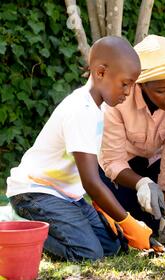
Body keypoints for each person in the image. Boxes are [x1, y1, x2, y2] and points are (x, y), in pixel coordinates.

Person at [6, 36, 153, 261]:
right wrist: (128, 221)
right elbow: (92, 182)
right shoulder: (80, 110)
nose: (128, 91)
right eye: (125, 83)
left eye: (132, 85)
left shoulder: (97, 110)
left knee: (113, 247)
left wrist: (111, 216)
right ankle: (20, 226)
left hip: (66, 196)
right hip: (36, 193)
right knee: (88, 254)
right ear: (101, 72)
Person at [98, 35, 165, 243]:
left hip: (156, 161)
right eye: (161, 90)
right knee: (125, 230)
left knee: (154, 225)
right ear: (141, 85)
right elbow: (112, 160)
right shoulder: (118, 97)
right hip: (121, 168)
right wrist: (141, 183)